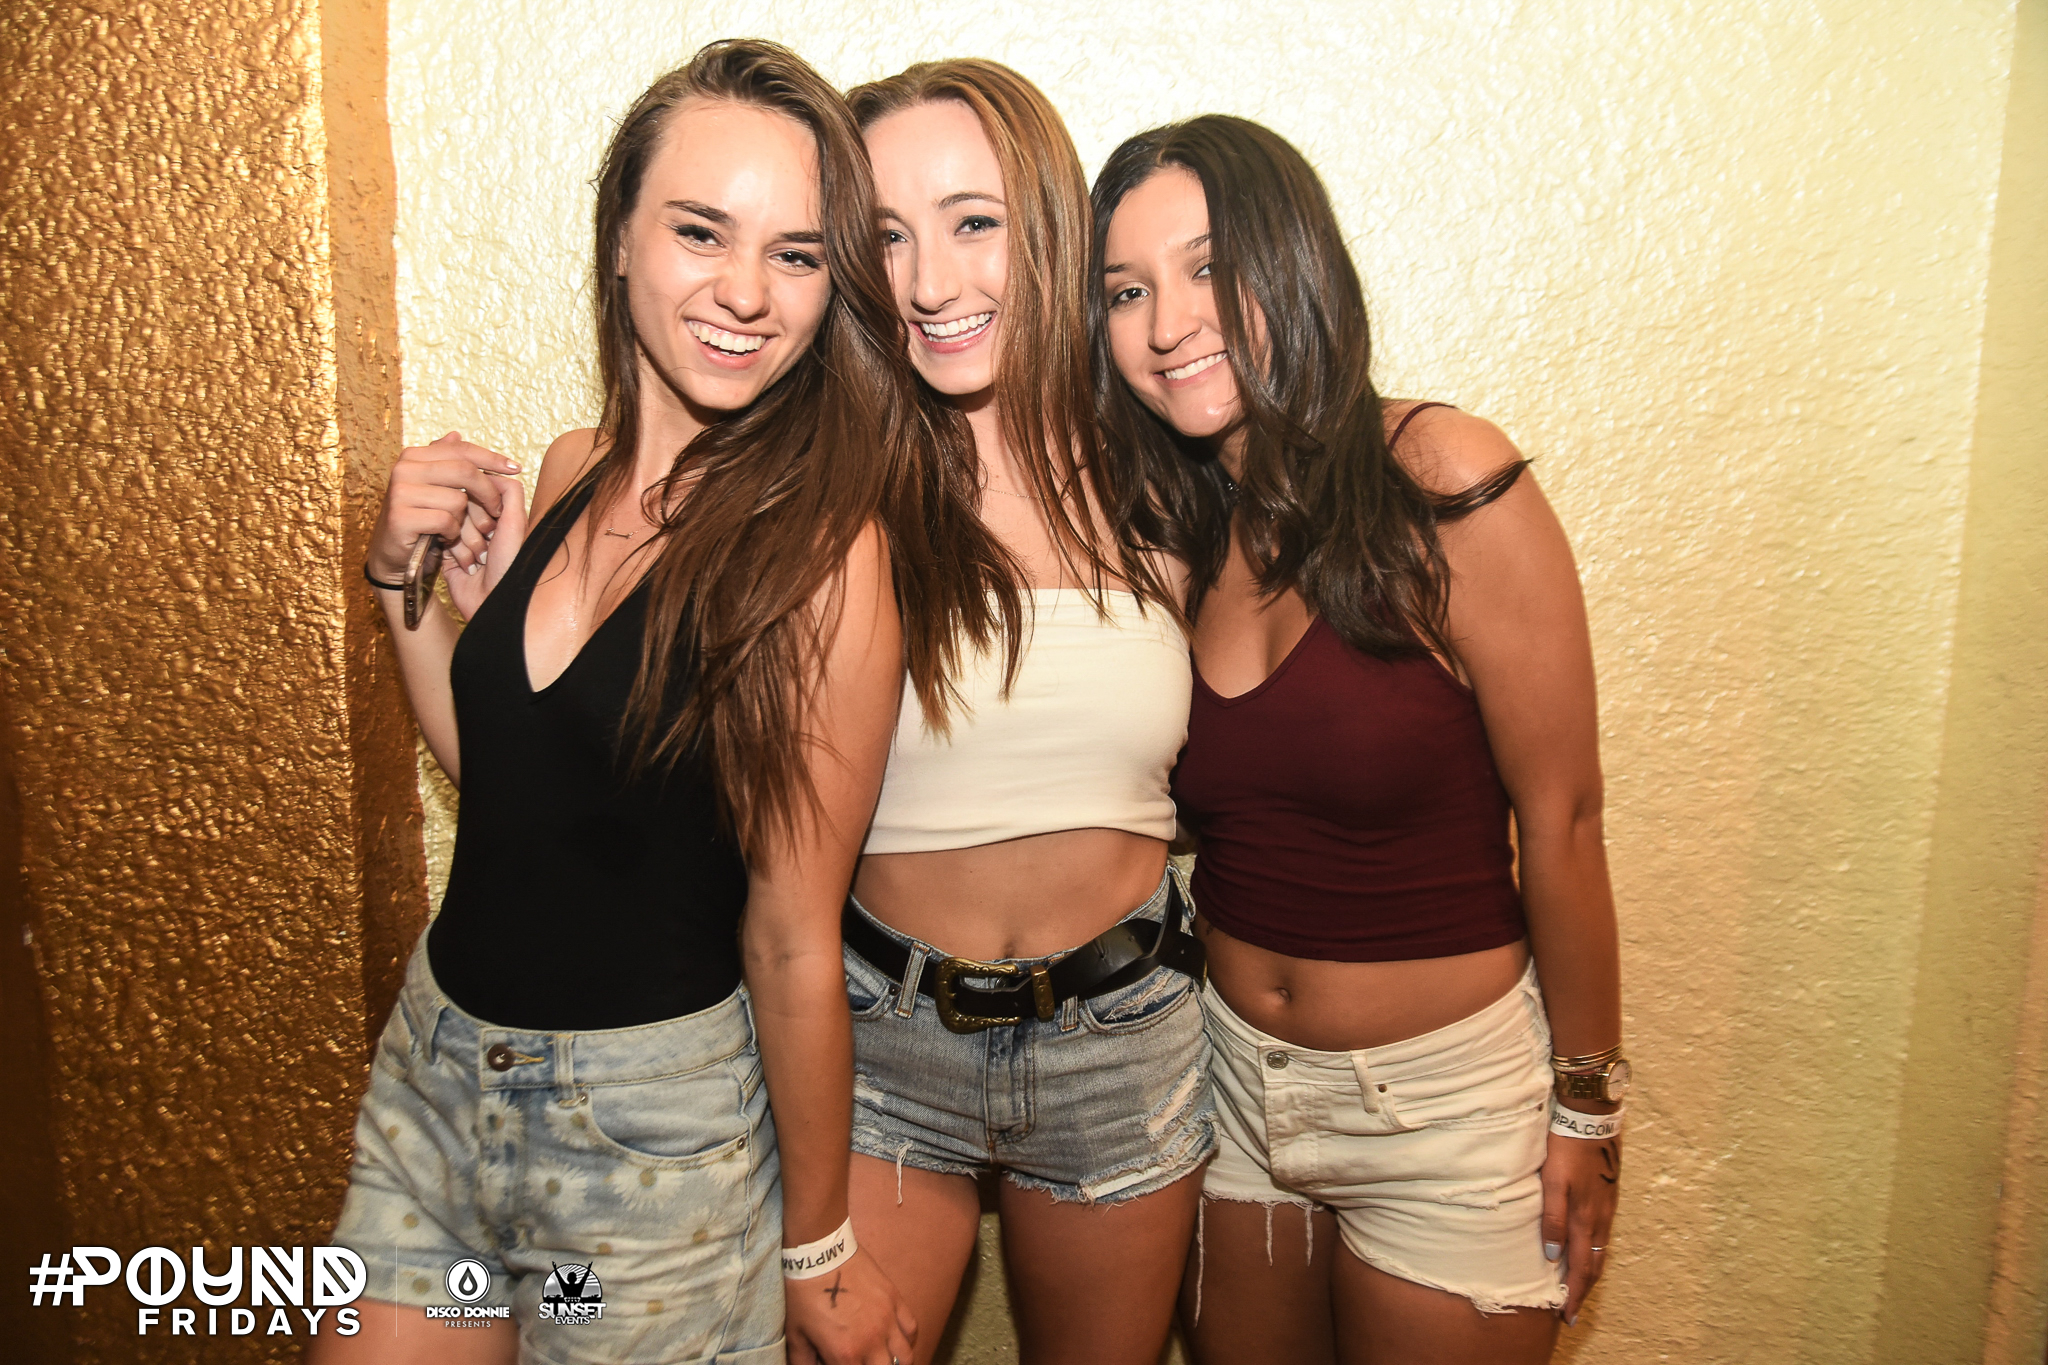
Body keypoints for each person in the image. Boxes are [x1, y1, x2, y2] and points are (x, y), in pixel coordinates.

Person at [316, 40, 932, 1365]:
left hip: (641, 1151)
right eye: (701, 231)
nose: (744, 291)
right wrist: (399, 589)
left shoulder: (825, 555)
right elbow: (518, 796)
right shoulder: (569, 470)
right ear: (619, 239)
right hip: (435, 1079)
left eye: (795, 254)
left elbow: (791, 937)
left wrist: (816, 1245)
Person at [1093, 115, 1626, 1365]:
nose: (1167, 322)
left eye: (1209, 267)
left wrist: (1586, 1107)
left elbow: (1562, 820)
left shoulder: (1440, 478)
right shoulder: (1182, 539)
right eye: (1126, 290)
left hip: (1444, 1112)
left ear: (1293, 260)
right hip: (1229, 1092)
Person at [836, 61, 1211, 1365]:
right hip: (874, 1040)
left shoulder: (1166, 484)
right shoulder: (831, 495)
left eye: (973, 221)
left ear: (1046, 225)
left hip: (1123, 1042)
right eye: (887, 235)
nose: (931, 280)